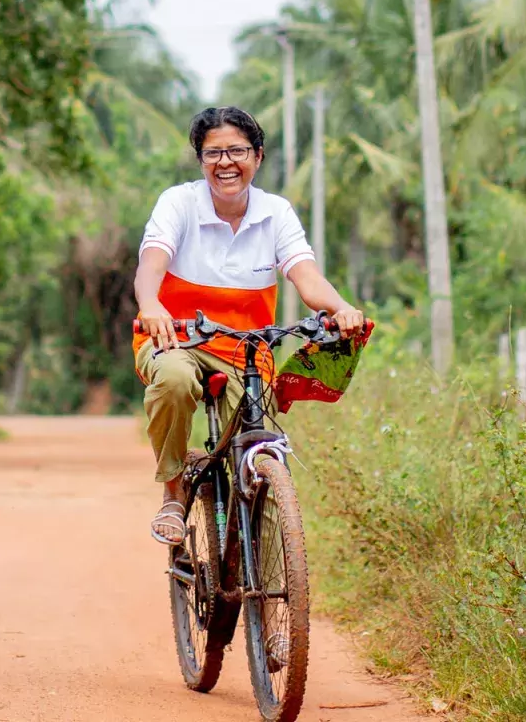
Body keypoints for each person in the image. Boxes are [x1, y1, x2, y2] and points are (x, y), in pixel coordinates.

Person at [134, 106, 365, 545]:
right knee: (175, 379)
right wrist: (151, 304)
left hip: (245, 350)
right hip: (175, 338)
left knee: (261, 452)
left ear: (257, 157)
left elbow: (307, 276)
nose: (225, 162)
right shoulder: (178, 203)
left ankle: (269, 572)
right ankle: (173, 490)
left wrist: (341, 307)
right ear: (200, 161)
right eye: (213, 153)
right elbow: (151, 265)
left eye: (237, 151)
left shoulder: (276, 213)